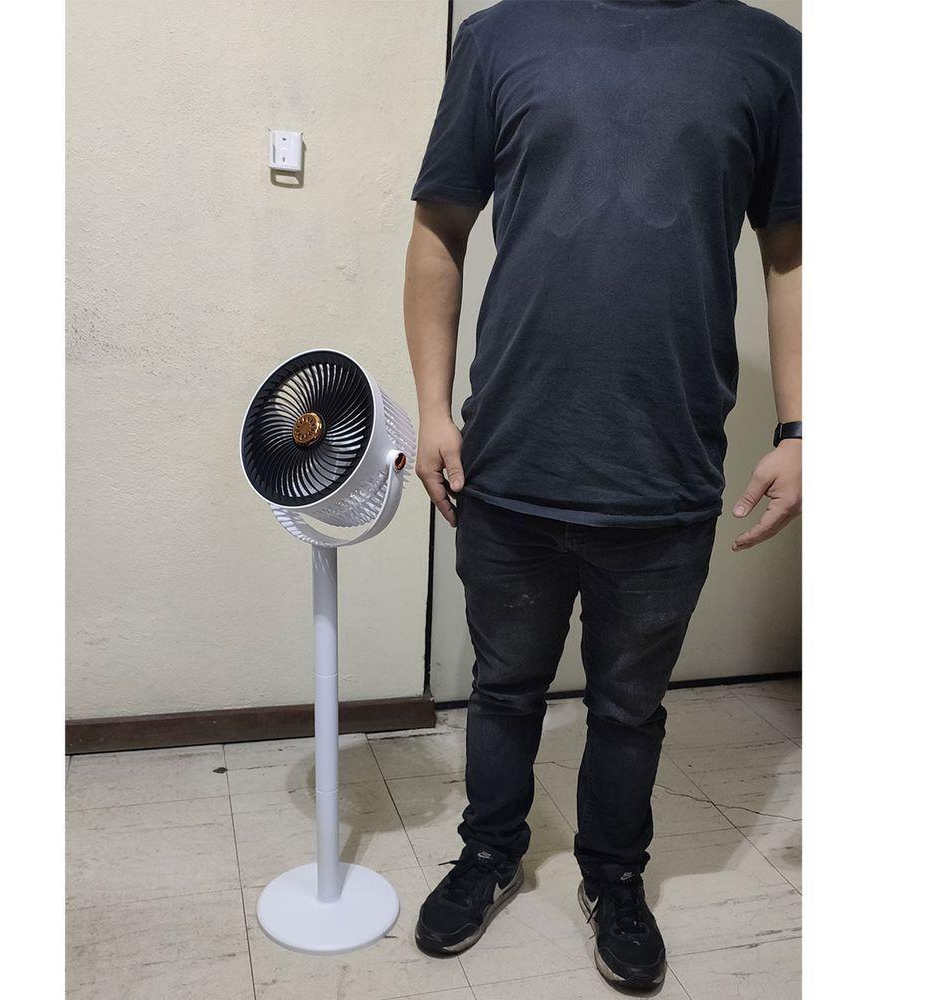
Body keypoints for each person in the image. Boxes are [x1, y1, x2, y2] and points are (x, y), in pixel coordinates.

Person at [403, 0, 800, 989]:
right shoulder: (496, 39)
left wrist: (802, 428)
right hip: (509, 460)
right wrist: (432, 408)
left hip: (665, 470)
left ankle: (614, 878)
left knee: (629, 708)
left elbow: (792, 250)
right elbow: (439, 226)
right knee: (504, 688)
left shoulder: (770, 55)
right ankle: (489, 853)